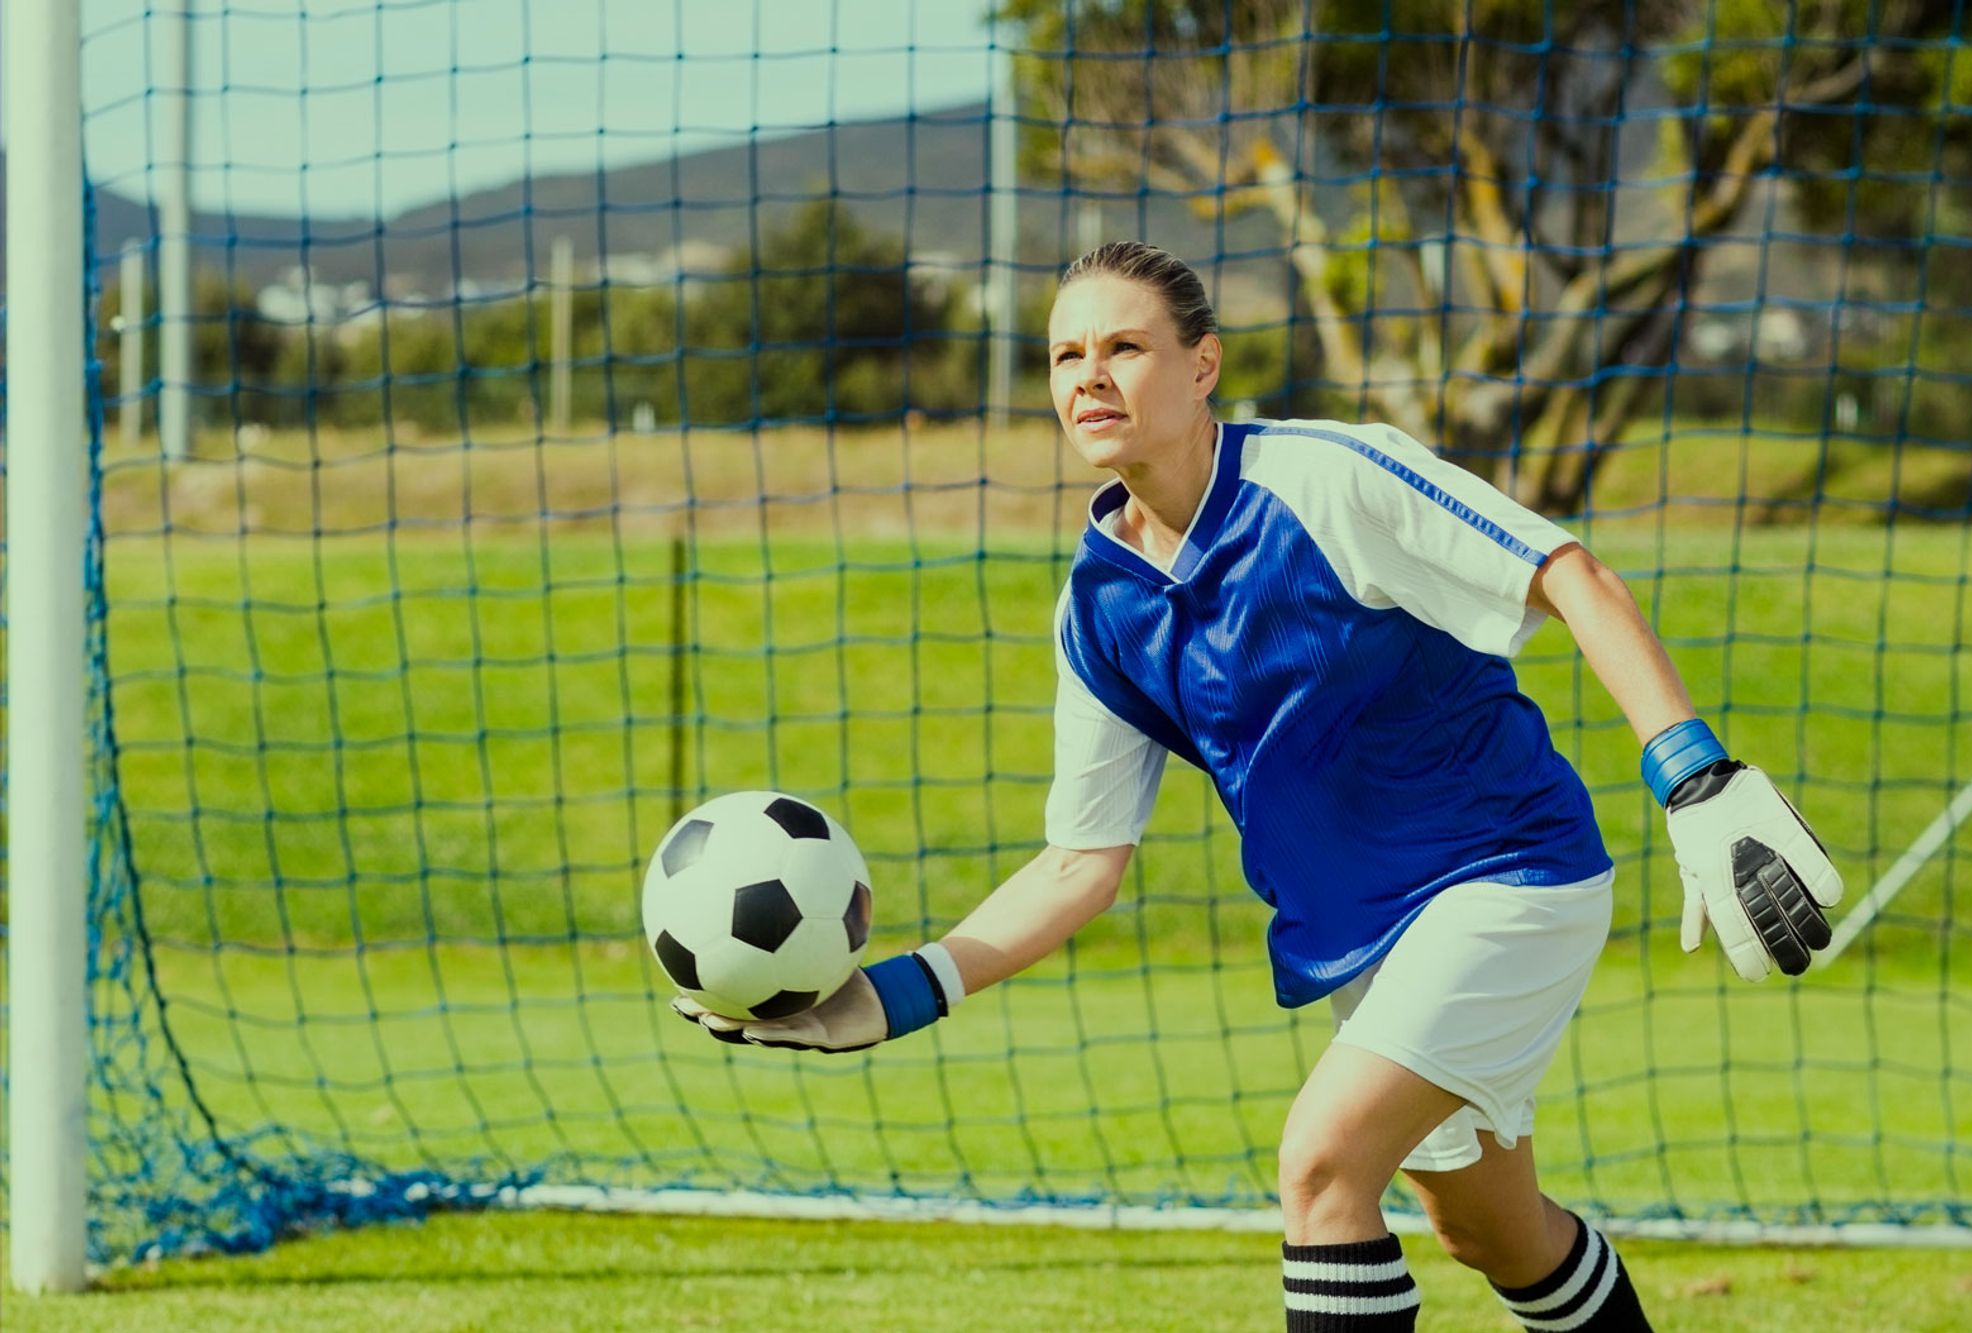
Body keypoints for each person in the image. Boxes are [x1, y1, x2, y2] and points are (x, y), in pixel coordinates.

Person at [674, 240, 1842, 1331]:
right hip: (1360, 936)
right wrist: (898, 992)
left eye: (1123, 347)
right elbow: (1082, 862)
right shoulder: (1099, 604)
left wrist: (1693, 776)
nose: (1090, 377)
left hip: (1506, 876)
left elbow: (1564, 569)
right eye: (1064, 356)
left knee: (1321, 1165)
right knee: (1491, 1232)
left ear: (1202, 363)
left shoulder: (1328, 475)